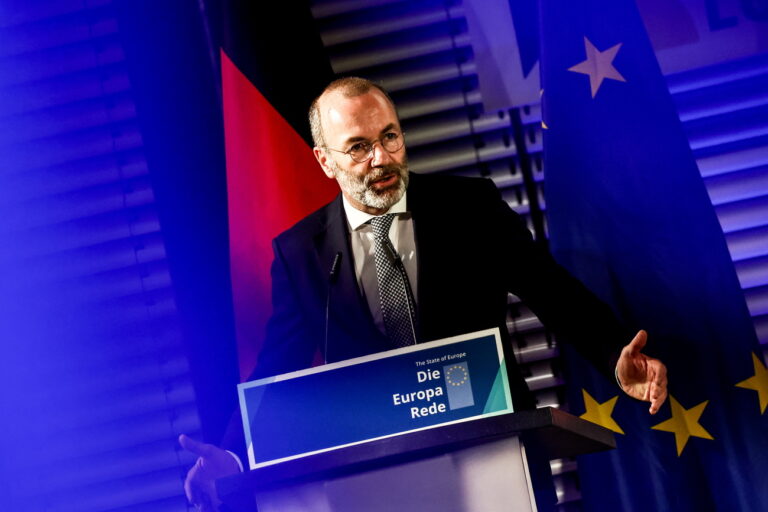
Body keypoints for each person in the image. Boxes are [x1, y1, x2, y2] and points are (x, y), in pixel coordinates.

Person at [180, 77, 668, 511]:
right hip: (378, 480)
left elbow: (553, 291)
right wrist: (231, 454)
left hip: (499, 455)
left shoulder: (471, 207)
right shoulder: (299, 252)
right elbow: (277, 367)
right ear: (325, 161)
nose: (381, 158)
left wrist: (614, 354)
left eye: (389, 137)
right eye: (358, 147)